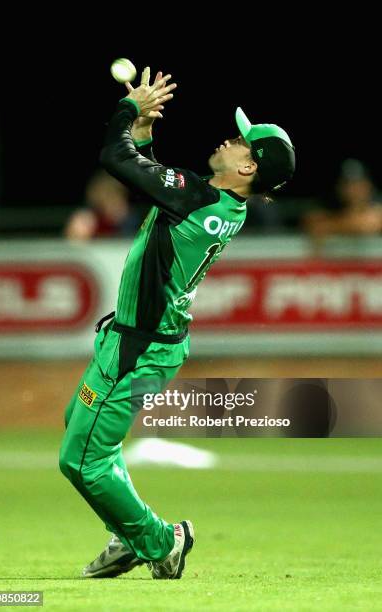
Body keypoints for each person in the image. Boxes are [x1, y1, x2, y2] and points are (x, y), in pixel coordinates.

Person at [59, 67, 295, 580]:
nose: (231, 139)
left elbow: (114, 161)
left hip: (138, 349)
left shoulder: (197, 196)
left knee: (81, 459)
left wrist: (127, 113)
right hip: (149, 345)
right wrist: (145, 129)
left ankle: (161, 541)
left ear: (249, 167)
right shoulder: (213, 201)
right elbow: (151, 174)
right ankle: (129, 536)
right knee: (87, 437)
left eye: (241, 141)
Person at [304, 159, 382, 237]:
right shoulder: (331, 208)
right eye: (348, 184)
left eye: (358, 184)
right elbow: (315, 224)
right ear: (339, 188)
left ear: (368, 185)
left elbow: (371, 224)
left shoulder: (377, 210)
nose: (354, 190)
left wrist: (333, 226)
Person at [64, 170, 137, 240]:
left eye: (119, 195)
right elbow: (72, 244)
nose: (117, 202)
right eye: (108, 196)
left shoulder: (129, 220)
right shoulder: (84, 220)